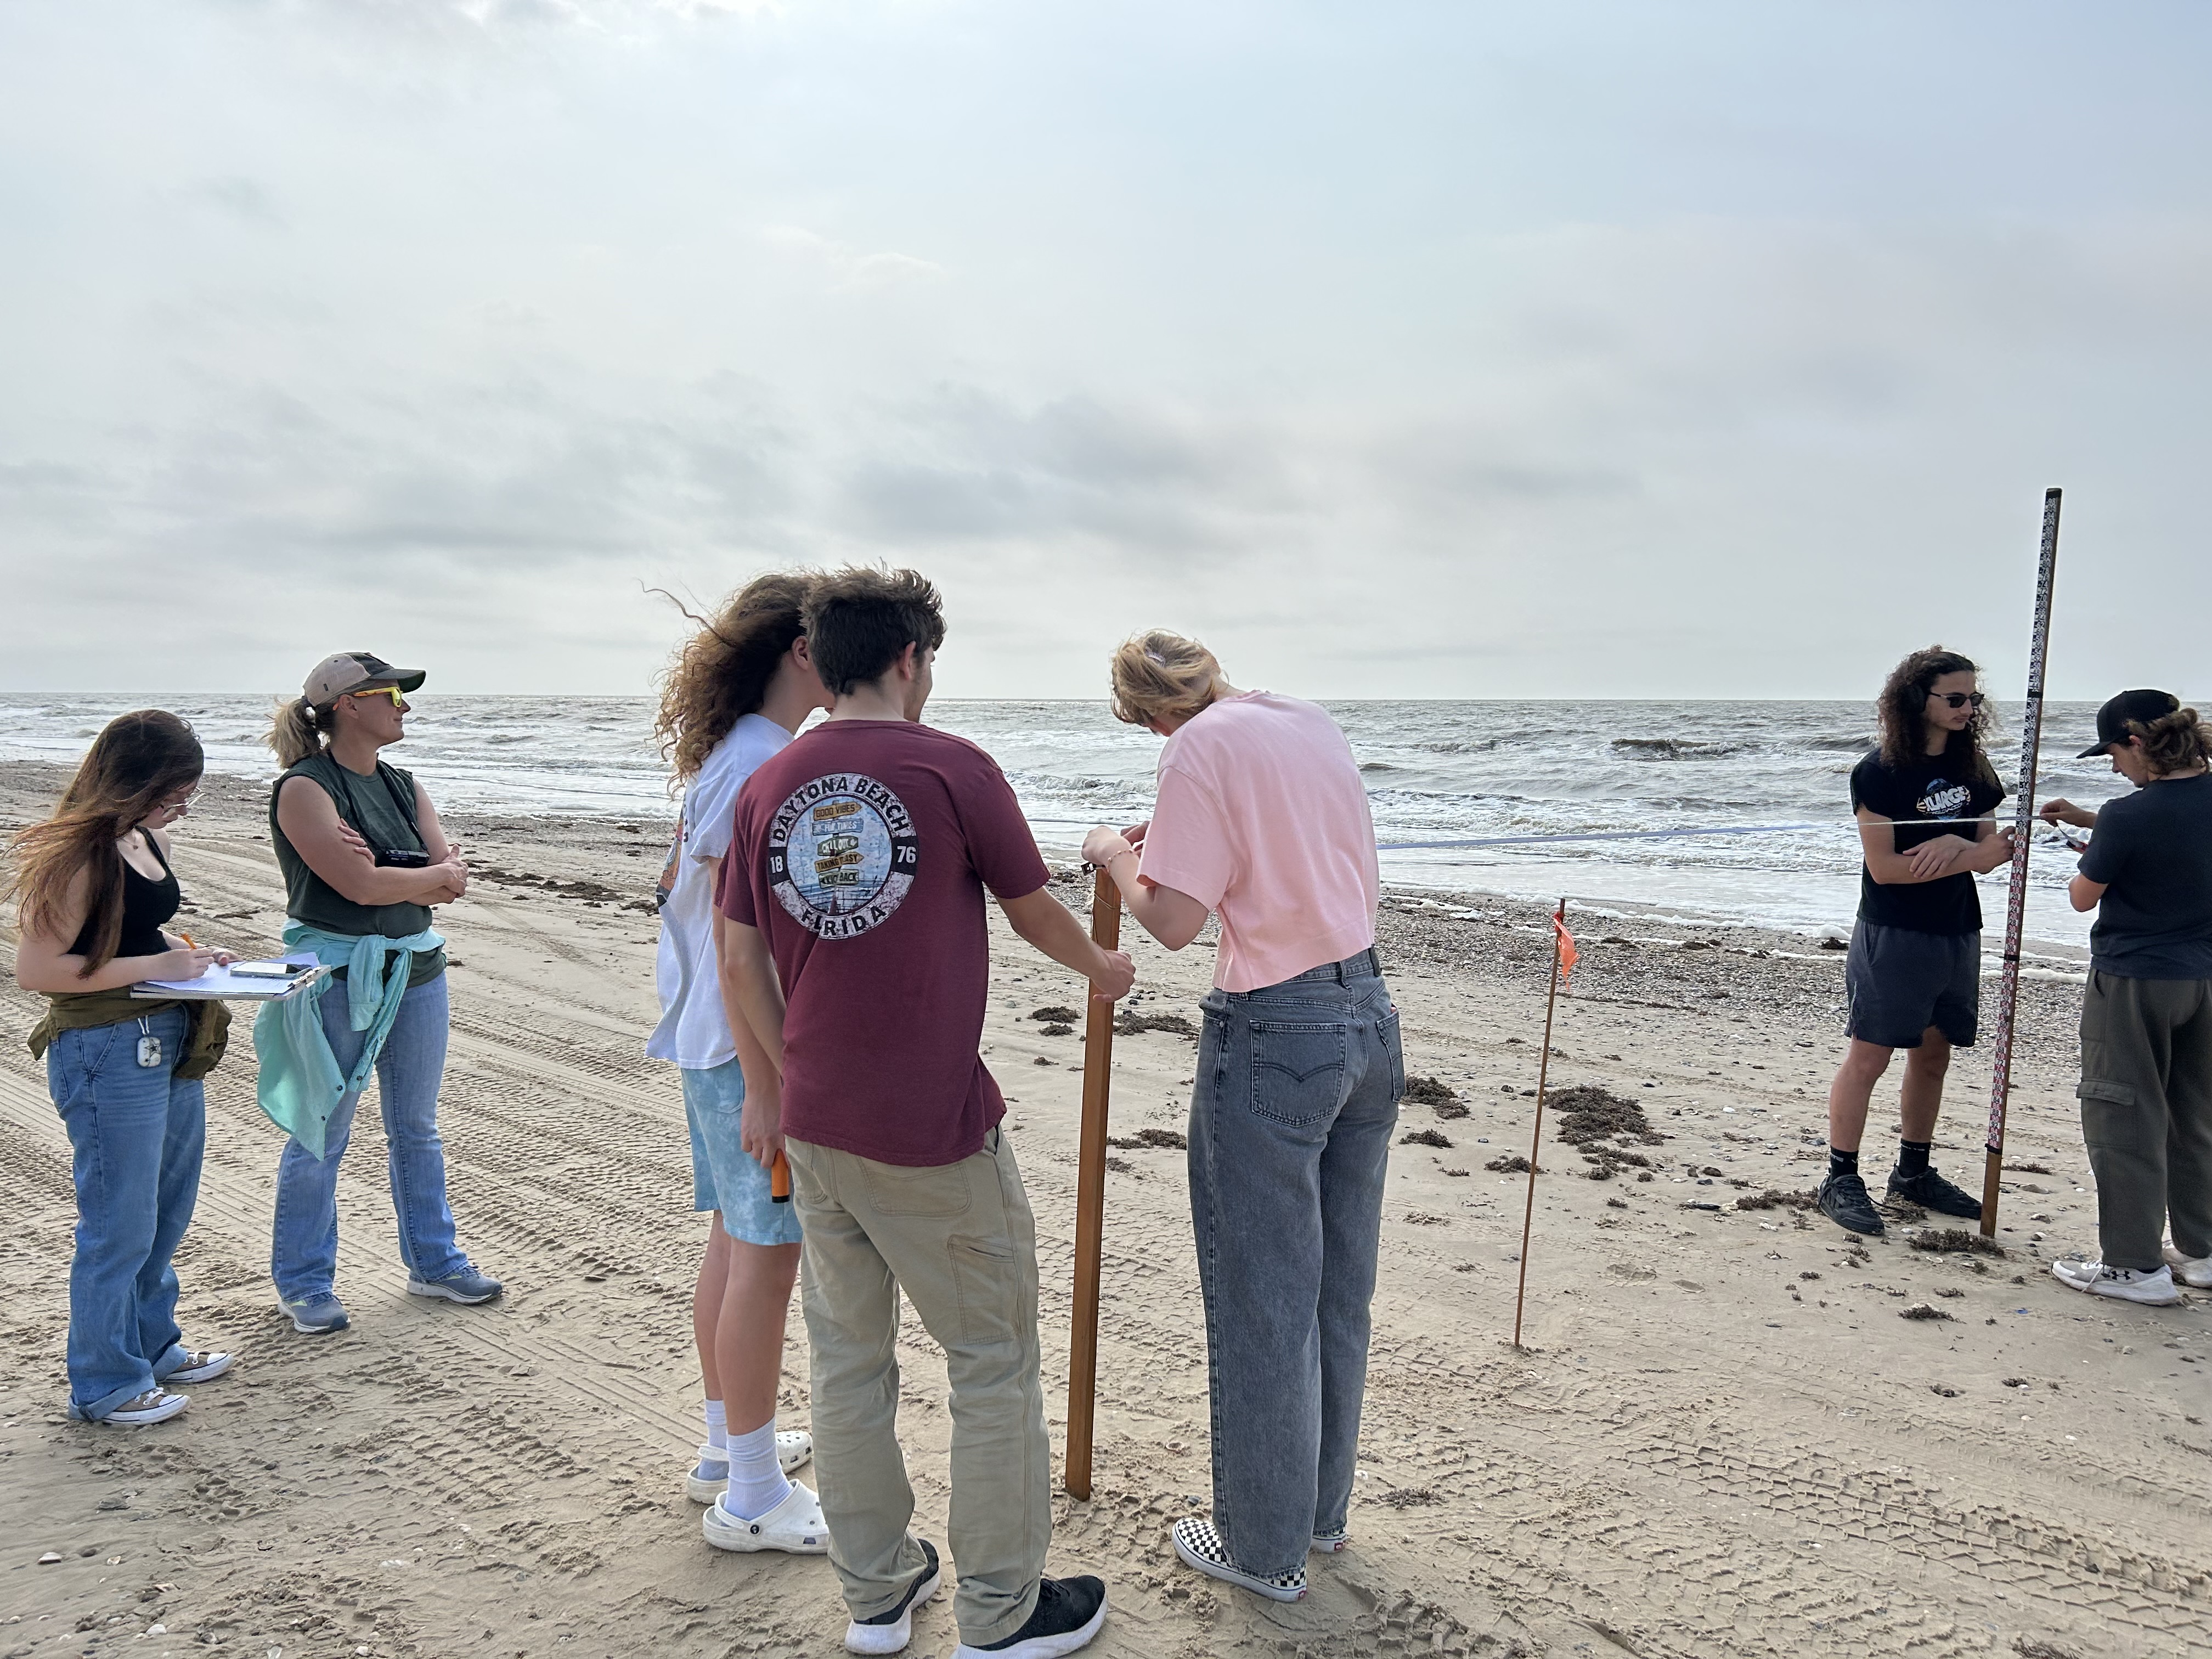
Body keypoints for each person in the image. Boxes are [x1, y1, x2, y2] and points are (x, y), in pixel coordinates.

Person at [717, 567, 1134, 1659]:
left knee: (850, 1359)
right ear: (909, 659)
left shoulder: (772, 782)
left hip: (818, 1124)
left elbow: (738, 952)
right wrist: (1103, 965)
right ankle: (1001, 1610)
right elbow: (1032, 901)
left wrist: (780, 1072)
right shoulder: (950, 767)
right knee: (992, 1357)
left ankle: (878, 1594)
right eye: (931, 662)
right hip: (931, 1127)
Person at [1081, 630, 1402, 1605]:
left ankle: (1261, 1547)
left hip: (1275, 1023)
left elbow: (1174, 921)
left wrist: (1107, 851)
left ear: (1150, 712)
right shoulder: (1302, 719)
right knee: (1335, 1290)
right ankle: (1316, 1513)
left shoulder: (1196, 745)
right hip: (1369, 1011)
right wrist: (1168, 839)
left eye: (1142, 724)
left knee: (1264, 1292)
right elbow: (1280, 844)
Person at [646, 575, 831, 1547]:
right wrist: (769, 1081)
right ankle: (752, 1493)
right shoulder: (766, 762)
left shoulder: (736, 754)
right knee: (766, 1253)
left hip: (708, 1038)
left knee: (734, 1240)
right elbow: (735, 941)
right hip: (739, 1046)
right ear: (802, 650)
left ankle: (729, 1447)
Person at [8, 712, 239, 1425]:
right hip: (106, 1049)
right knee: (119, 1221)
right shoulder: (77, 854)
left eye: (185, 798)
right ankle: (105, 1383)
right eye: (171, 795)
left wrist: (191, 962)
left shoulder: (144, 838)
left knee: (165, 1211)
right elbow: (38, 969)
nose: (178, 810)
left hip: (167, 1037)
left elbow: (135, 933)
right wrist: (160, 967)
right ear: (131, 784)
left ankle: (151, 1344)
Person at [259, 652, 498, 1334]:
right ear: (347, 705)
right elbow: (361, 888)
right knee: (321, 1131)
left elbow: (453, 880)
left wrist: (414, 874)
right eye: (392, 693)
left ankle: (435, 1263)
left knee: (416, 1129)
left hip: (417, 971)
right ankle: (304, 1282)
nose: (405, 706)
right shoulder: (306, 788)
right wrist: (419, 875)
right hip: (338, 977)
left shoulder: (401, 784)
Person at [1819, 647, 2015, 1238]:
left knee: (1935, 1054)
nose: (1967, 708)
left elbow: (1996, 851)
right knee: (1871, 1054)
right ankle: (1840, 1175)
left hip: (1957, 927)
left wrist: (1956, 848)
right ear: (1917, 701)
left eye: (1973, 698)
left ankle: (1912, 1171)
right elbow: (1886, 870)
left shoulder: (1972, 764)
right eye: (1955, 698)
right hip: (1893, 930)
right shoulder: (1879, 772)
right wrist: (1969, 853)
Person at [2040, 690, 2212, 1305]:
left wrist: (2091, 852)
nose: (2114, 767)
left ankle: (2134, 1267)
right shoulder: (2166, 805)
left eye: (2114, 753)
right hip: (2203, 977)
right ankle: (2203, 1250)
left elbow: (2084, 896)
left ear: (2138, 743)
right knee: (2194, 1113)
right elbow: (2175, 837)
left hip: (2136, 977)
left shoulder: (2128, 816)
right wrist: (2094, 822)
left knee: (2124, 1114)